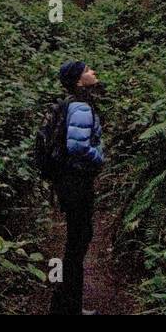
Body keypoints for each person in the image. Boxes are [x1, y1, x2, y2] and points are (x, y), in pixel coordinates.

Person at [49, 60, 105, 315]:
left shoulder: (72, 104)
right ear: (78, 80)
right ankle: (67, 307)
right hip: (76, 182)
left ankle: (65, 304)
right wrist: (99, 157)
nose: (93, 72)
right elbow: (78, 147)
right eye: (87, 70)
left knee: (76, 241)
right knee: (78, 241)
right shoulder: (80, 107)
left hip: (69, 181)